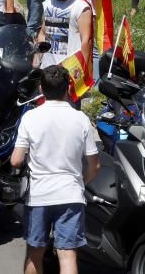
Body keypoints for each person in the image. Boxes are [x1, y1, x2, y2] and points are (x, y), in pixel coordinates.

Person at [10, 65, 100, 274]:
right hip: (71, 194)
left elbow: (15, 160)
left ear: (41, 89)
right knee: (68, 255)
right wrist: (79, 183)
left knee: (34, 253)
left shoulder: (30, 118)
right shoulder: (81, 119)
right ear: (68, 88)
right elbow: (95, 165)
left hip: (39, 196)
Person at [37, 0, 93, 72]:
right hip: (47, 67)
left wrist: (83, 72)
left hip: (70, 69)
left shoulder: (81, 7)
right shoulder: (48, 2)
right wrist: (36, 60)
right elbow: (43, 33)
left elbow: (86, 42)